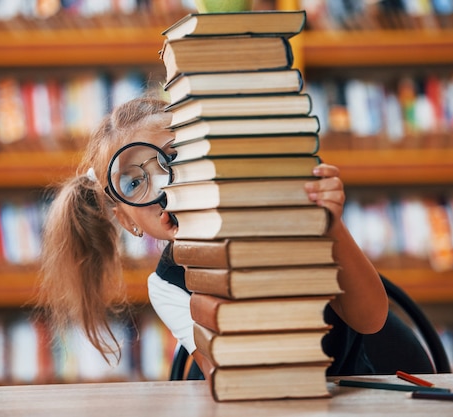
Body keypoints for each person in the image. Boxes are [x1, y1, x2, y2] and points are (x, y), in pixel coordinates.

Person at [37, 96, 389, 377]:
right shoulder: (167, 285)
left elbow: (371, 319)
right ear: (128, 220)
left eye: (172, 160)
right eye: (133, 183)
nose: (164, 186)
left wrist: (329, 226)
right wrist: (205, 258)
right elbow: (228, 375)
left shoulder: (285, 217)